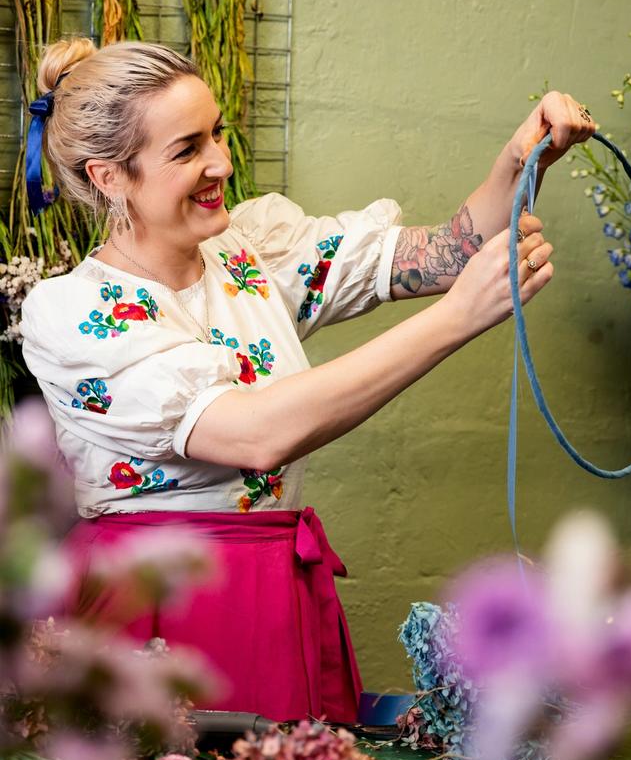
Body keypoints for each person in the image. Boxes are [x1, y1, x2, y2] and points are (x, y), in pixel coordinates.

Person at [20, 38, 595, 722]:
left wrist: (520, 157)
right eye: (186, 149)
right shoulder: (71, 313)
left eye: (217, 134)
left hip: (277, 594)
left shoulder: (248, 249)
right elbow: (257, 435)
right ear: (110, 177)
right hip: (161, 612)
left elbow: (448, 253)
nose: (221, 163)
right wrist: (455, 321)